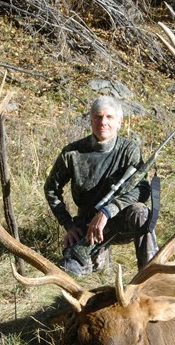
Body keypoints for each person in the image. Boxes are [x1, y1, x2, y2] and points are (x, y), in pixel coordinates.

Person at [44, 95, 158, 276]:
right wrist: (68, 225)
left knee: (140, 212)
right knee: (70, 270)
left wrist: (108, 211)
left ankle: (151, 275)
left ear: (119, 121)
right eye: (98, 116)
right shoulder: (72, 153)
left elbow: (142, 189)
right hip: (87, 226)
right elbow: (51, 189)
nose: (103, 122)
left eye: (109, 117)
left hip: (120, 219)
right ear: (90, 120)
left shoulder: (129, 150)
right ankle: (100, 259)